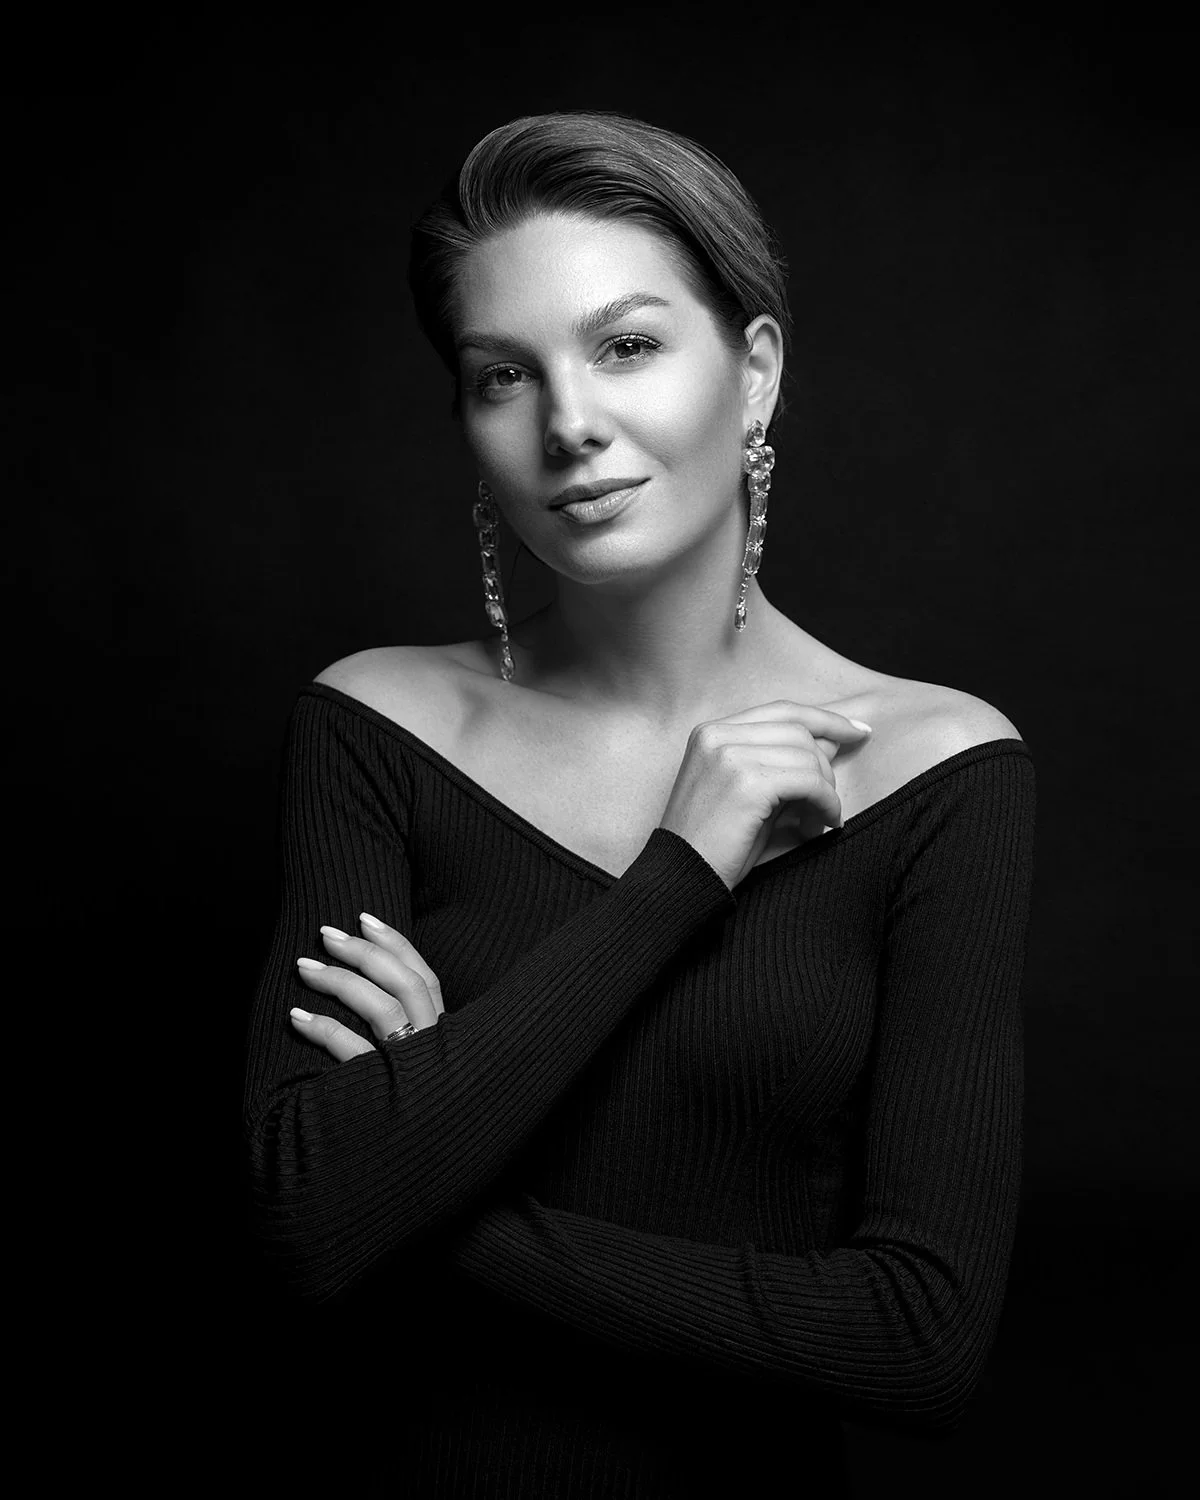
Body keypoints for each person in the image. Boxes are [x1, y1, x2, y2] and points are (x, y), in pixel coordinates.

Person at [243, 112, 1036, 1497]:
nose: (569, 425)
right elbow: (309, 1221)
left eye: (626, 346)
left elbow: (919, 1337)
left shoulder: (943, 768)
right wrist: (684, 867)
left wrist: (429, 1192)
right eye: (504, 375)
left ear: (755, 373)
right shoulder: (375, 725)